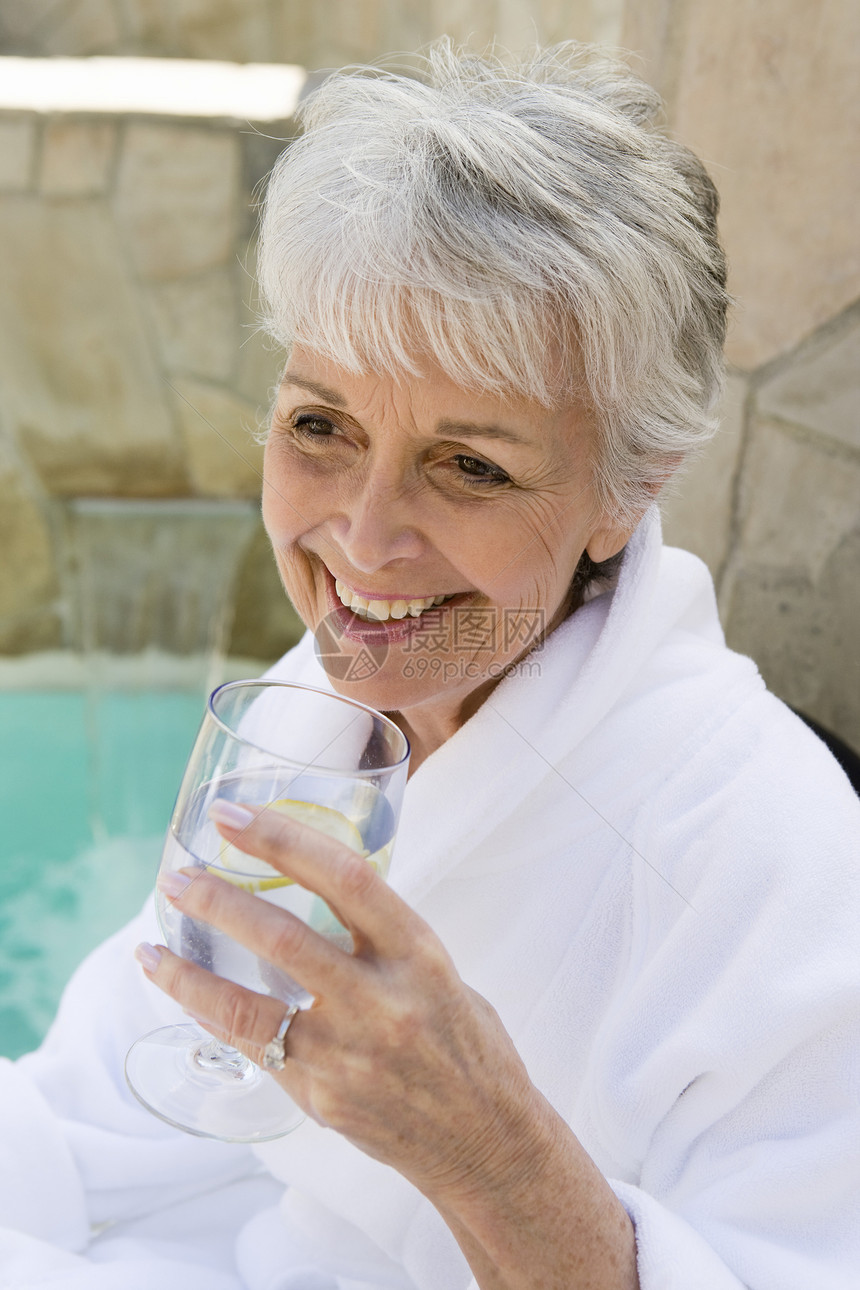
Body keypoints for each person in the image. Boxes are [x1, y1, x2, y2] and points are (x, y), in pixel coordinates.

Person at [1, 40, 858, 1290]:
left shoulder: (770, 863)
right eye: (319, 427)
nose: (360, 540)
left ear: (625, 494)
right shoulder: (314, 713)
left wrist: (488, 1156)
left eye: (471, 466)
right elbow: (99, 1114)